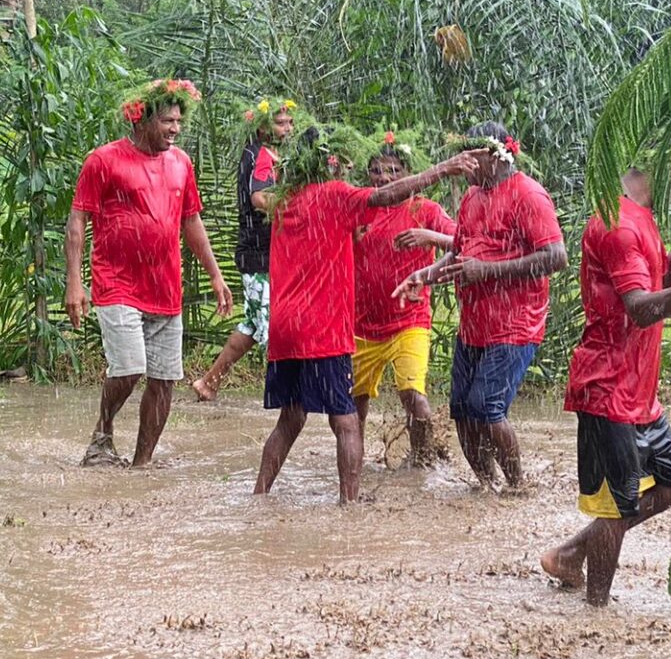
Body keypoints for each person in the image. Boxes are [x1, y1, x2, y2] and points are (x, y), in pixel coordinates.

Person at [540, 160, 671, 606]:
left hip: (638, 392)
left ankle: (570, 553)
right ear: (666, 167)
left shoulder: (641, 217)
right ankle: (595, 614)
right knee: (616, 508)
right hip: (607, 389)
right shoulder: (617, 224)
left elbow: (664, 280)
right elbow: (642, 309)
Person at [254, 126, 478, 504]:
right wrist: (444, 168)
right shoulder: (336, 195)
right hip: (322, 329)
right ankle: (350, 502)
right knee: (345, 421)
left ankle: (258, 494)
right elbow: (386, 196)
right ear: (330, 162)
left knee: (290, 418)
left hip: (284, 329)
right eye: (342, 160)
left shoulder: (284, 201)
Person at [66, 78, 233, 467]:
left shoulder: (181, 163)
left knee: (164, 379)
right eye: (166, 121)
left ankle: (141, 466)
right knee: (129, 369)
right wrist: (74, 283)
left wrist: (215, 274)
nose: (175, 129)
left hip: (165, 287)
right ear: (139, 119)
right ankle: (102, 433)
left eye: (178, 121)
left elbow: (191, 221)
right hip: (116, 283)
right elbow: (77, 223)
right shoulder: (104, 160)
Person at [392, 122, 567, 492]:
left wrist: (488, 270)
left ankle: (518, 487)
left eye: (470, 156)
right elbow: (458, 253)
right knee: (463, 411)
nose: (463, 164)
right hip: (474, 325)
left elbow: (556, 257)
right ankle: (486, 487)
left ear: (493, 155)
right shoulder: (472, 198)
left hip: (516, 324)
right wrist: (424, 275)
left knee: (486, 408)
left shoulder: (529, 195)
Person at [350, 132, 458, 466]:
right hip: (360, 325)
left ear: (409, 173)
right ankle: (354, 466)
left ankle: (423, 464)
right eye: (378, 171)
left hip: (409, 320)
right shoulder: (360, 208)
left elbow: (462, 240)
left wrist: (430, 236)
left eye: (394, 171)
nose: (385, 178)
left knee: (414, 396)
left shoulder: (424, 209)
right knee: (354, 407)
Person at [192, 97, 299, 402]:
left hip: (263, 253)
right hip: (260, 254)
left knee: (254, 324)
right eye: (281, 123)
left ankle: (209, 382)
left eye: (290, 122)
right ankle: (290, 397)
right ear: (262, 125)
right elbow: (260, 199)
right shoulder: (262, 154)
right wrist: (297, 209)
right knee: (275, 328)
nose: (287, 128)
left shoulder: (270, 153)